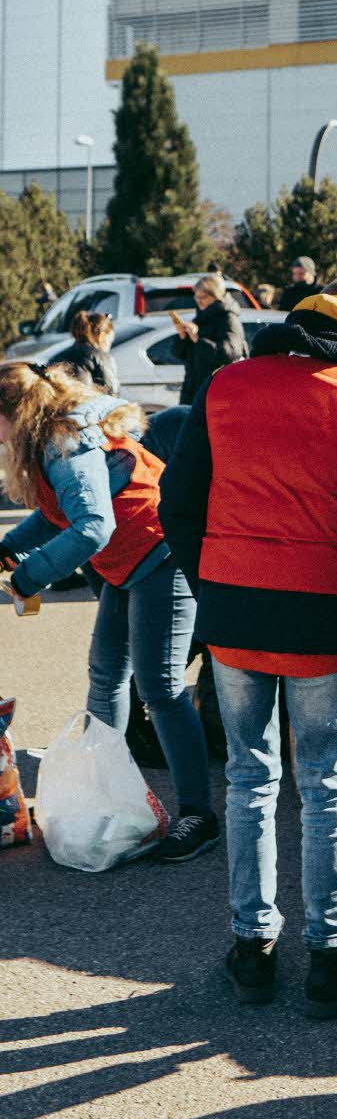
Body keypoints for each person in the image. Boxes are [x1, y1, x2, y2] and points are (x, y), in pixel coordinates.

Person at [158, 272, 337, 1015]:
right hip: (319, 615)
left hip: (234, 613)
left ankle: (252, 949)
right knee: (326, 784)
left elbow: (177, 504)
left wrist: (214, 584)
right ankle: (330, 957)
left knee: (248, 778)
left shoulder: (226, 384)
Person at [0, 361, 216, 863]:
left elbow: (92, 526)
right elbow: (58, 513)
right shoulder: (52, 438)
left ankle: (199, 816)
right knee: (106, 676)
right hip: (128, 563)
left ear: (14, 414)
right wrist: (9, 548)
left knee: (161, 688)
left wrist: (29, 577)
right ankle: (106, 793)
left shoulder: (65, 444)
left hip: (161, 553)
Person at [173, 274, 248, 405]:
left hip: (218, 393)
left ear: (216, 296)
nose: (198, 301)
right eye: (196, 297)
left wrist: (198, 340)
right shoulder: (200, 318)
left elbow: (229, 354)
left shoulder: (228, 319)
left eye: (203, 297)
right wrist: (182, 337)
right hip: (193, 392)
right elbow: (179, 355)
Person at [55, 311, 119, 394]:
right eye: (110, 341)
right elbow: (112, 392)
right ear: (102, 336)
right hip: (90, 401)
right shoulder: (102, 357)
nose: (109, 346)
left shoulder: (59, 356)